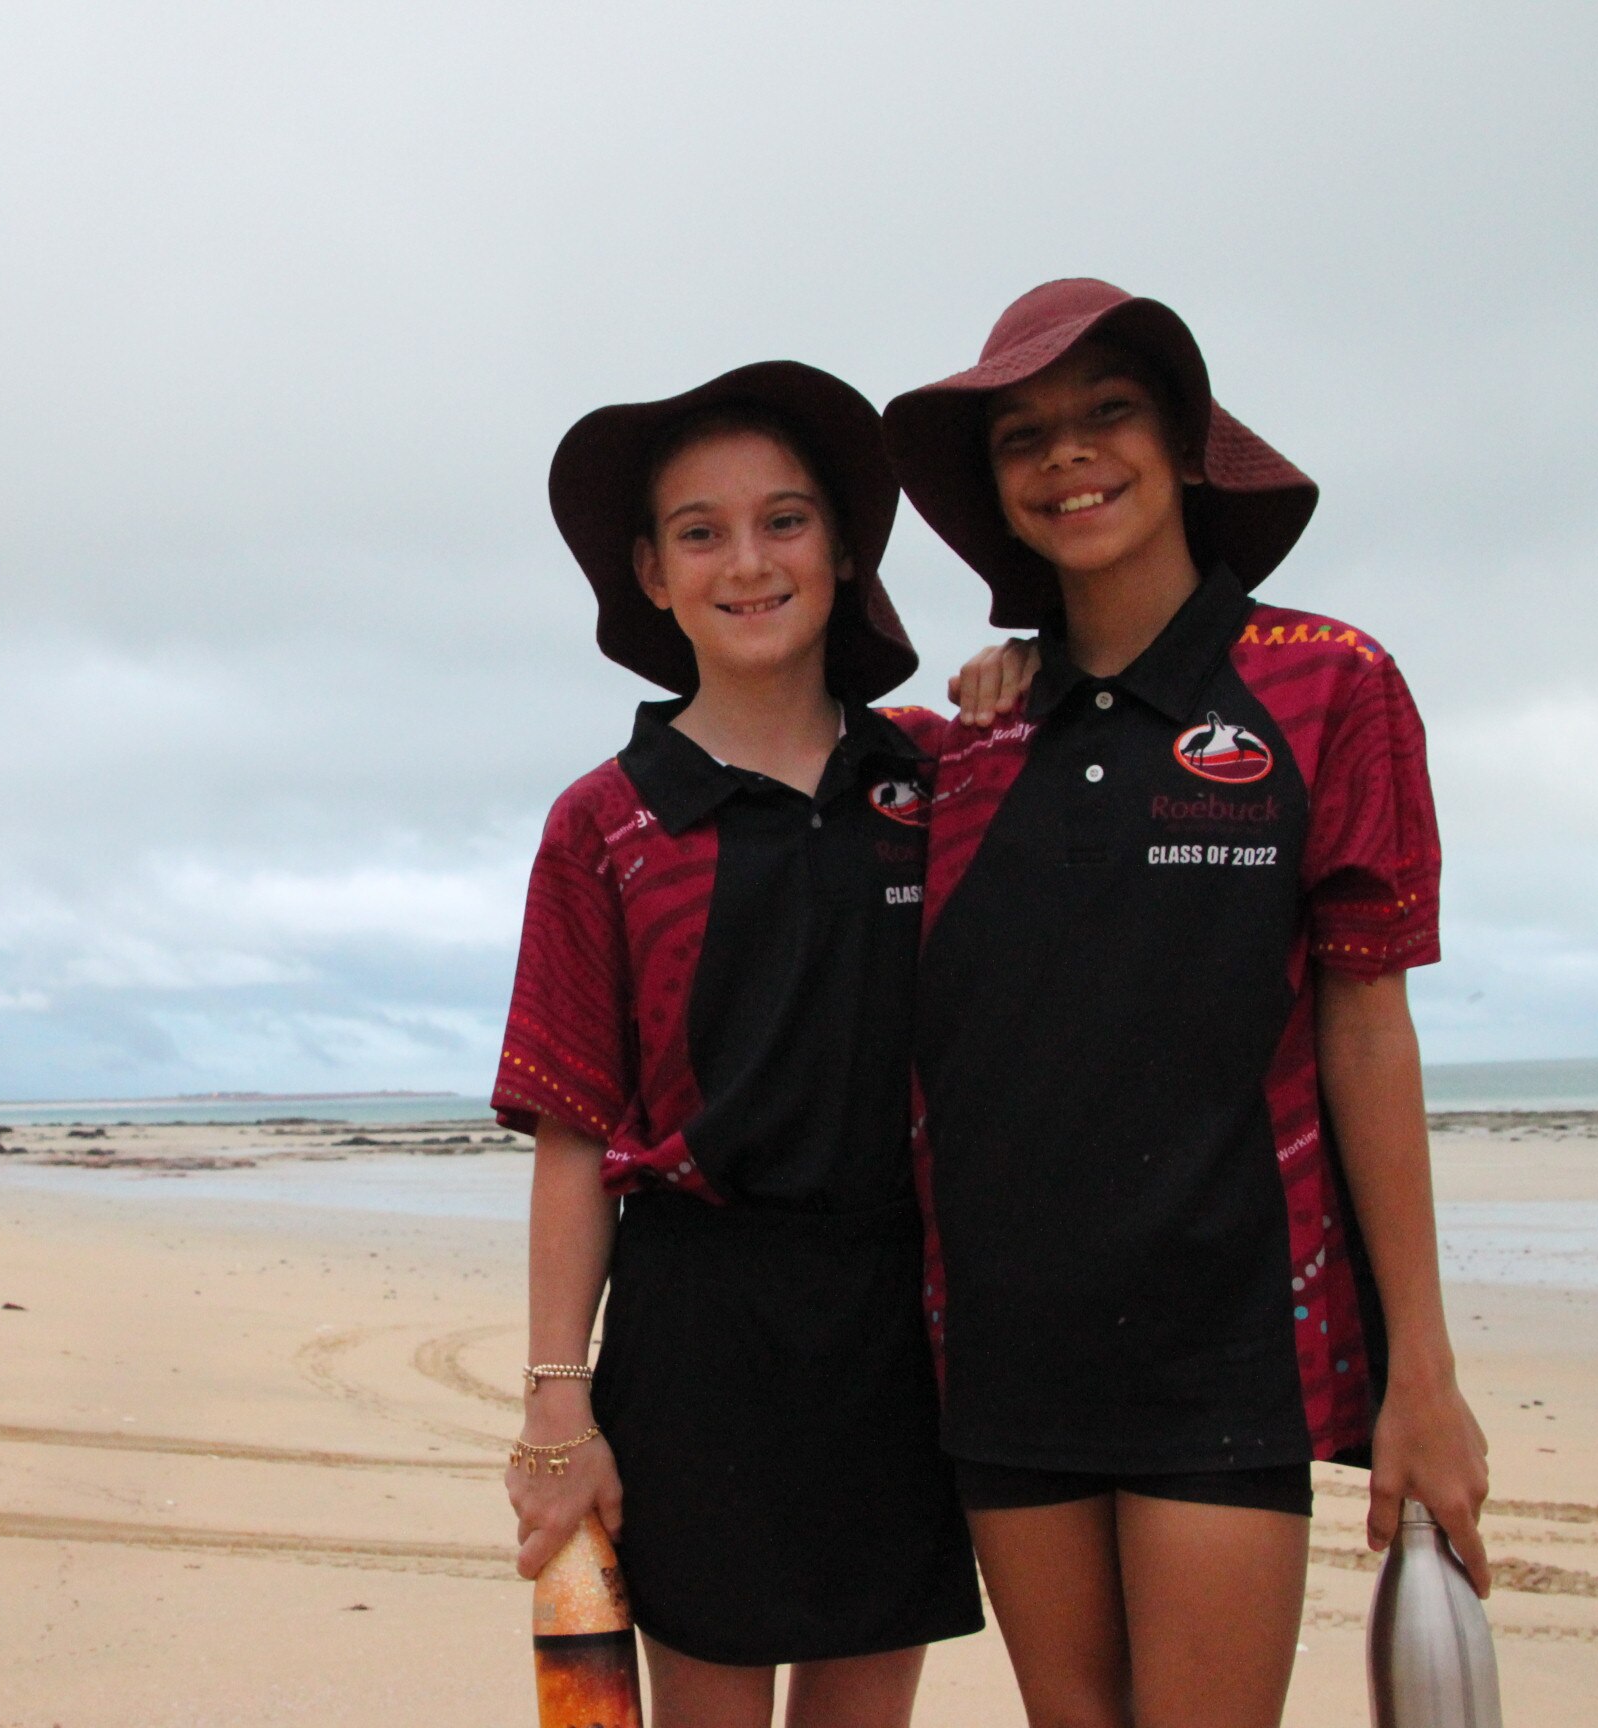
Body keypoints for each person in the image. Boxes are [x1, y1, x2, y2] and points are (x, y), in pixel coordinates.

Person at [880, 278, 1492, 1728]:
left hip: (1229, 1336)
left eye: (1109, 412)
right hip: (1007, 1338)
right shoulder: (964, 746)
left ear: (1184, 445)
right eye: (1023, 436)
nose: (1068, 454)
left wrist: (1423, 1371)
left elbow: (1366, 1025)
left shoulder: (1328, 686)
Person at [495, 361, 1004, 1728]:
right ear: (652, 575)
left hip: (903, 1325)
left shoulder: (939, 775)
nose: (749, 562)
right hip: (698, 1332)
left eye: (786, 521)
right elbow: (574, 1130)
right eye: (701, 532)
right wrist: (557, 1401)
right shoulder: (606, 822)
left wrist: (1027, 672)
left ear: (845, 549)